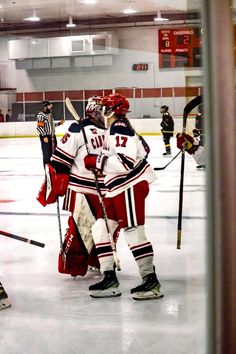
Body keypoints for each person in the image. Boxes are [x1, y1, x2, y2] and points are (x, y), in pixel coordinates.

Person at [84, 93, 164, 301]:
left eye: (102, 107)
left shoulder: (119, 128)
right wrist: (103, 165)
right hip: (117, 188)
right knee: (101, 227)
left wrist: (97, 161)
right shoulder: (116, 128)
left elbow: (125, 163)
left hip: (129, 186)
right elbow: (144, 149)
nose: (99, 110)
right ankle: (109, 277)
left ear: (110, 110)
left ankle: (151, 281)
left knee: (132, 231)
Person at [37, 96, 117, 276]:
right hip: (83, 191)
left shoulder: (112, 131)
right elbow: (59, 160)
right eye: (103, 110)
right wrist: (55, 184)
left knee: (107, 230)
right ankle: (73, 265)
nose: (106, 114)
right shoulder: (77, 130)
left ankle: (99, 262)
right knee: (81, 229)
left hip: (108, 190)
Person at [36, 100, 65, 168]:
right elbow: (39, 127)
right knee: (47, 154)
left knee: (54, 153)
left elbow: (51, 125)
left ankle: (54, 168)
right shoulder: (41, 115)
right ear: (45, 107)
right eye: (49, 106)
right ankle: (47, 170)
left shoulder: (50, 114)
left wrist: (59, 123)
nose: (51, 107)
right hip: (46, 137)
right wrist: (44, 136)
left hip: (52, 136)